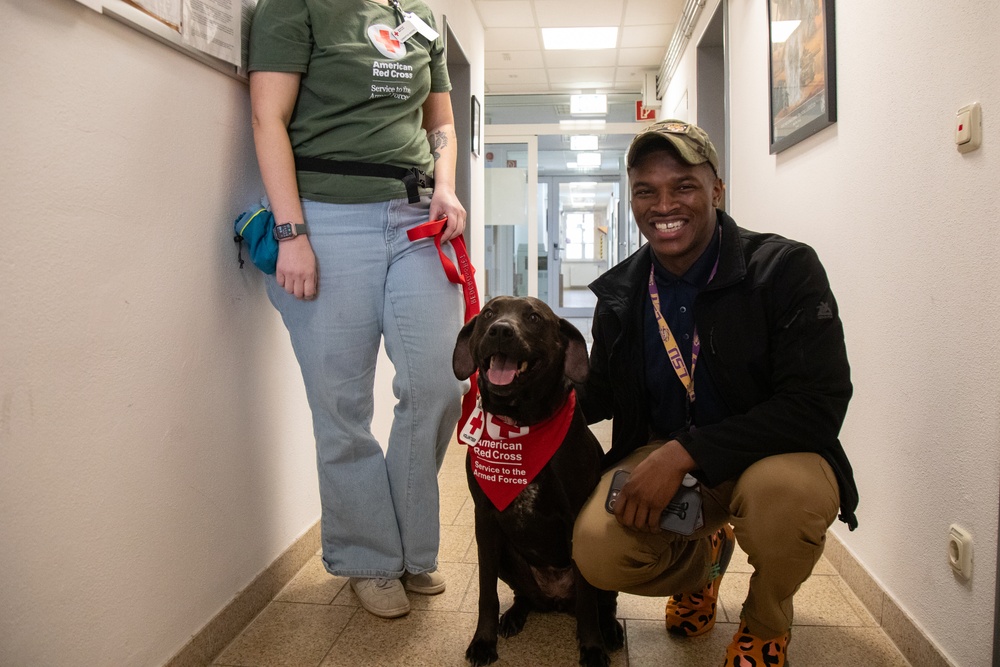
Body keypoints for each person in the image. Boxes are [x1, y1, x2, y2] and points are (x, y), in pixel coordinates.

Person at [572, 119, 858, 666]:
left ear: (716, 190)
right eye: (646, 191)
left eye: (683, 185)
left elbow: (817, 404)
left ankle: (764, 623)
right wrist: (524, 390)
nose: (664, 205)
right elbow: (601, 395)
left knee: (786, 501)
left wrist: (687, 452)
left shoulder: (783, 269)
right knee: (597, 548)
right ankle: (705, 560)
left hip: (767, 458)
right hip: (667, 461)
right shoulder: (622, 294)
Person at [247, 0, 467, 619]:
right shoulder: (294, 8)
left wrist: (446, 185)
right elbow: (269, 118)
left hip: (416, 217)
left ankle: (411, 549)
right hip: (326, 216)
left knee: (436, 385)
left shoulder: (420, 13)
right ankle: (368, 557)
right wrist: (292, 233)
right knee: (341, 403)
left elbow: (440, 123)